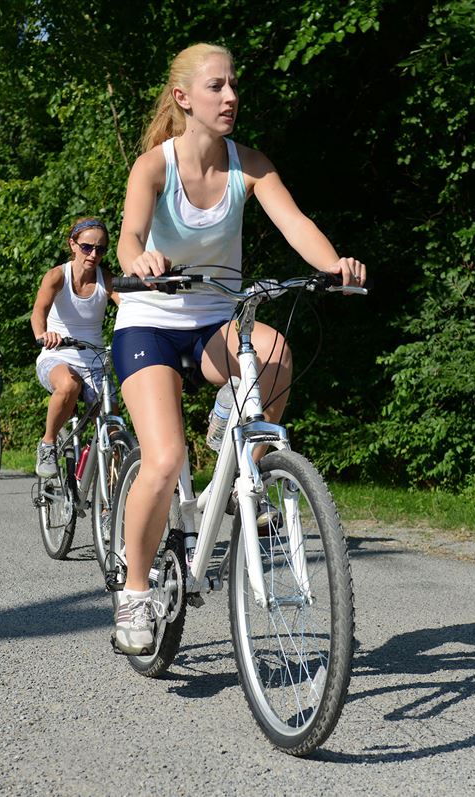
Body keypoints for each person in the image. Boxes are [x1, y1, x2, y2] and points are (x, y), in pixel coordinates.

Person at [109, 42, 367, 654]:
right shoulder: (154, 166)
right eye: (216, 87)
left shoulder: (249, 165)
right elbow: (127, 236)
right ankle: (135, 591)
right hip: (149, 319)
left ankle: (232, 432)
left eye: (233, 86)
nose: (230, 97)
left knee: (274, 353)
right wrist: (139, 260)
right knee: (164, 459)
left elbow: (296, 222)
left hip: (213, 321)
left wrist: (336, 266)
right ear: (183, 98)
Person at [30, 217, 119, 477]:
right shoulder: (58, 276)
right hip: (57, 355)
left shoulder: (107, 280)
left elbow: (128, 306)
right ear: (73, 244)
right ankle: (48, 443)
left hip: (94, 360)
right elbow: (39, 310)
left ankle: (110, 503)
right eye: (87, 247)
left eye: (100, 249)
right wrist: (42, 334)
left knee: (112, 430)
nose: (93, 254)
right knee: (69, 385)